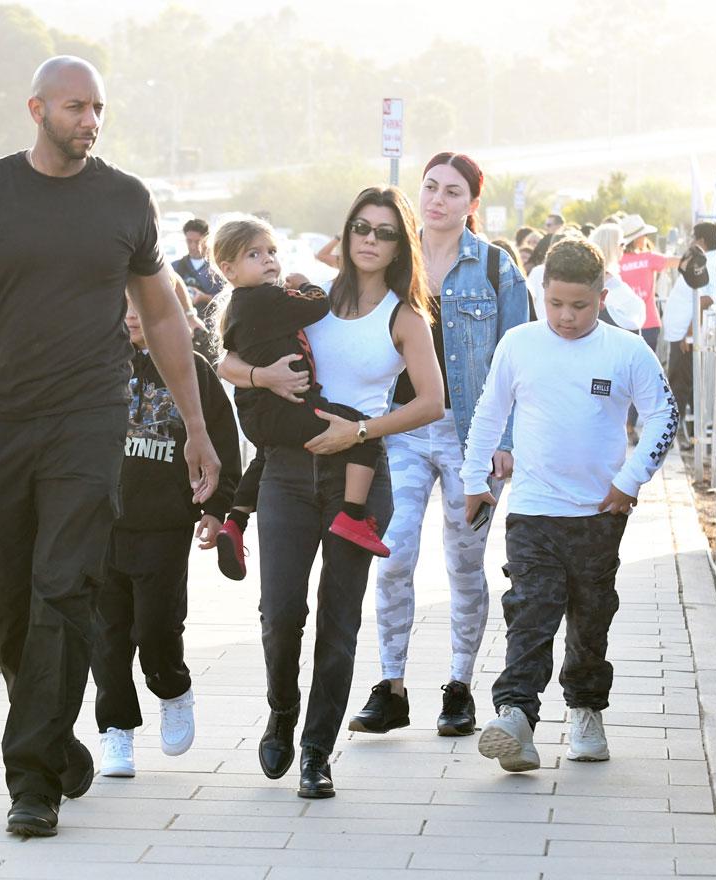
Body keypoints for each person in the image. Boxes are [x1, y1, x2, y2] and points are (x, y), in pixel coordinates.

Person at [0, 56, 221, 839]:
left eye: (100, 110)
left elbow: (162, 320)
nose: (90, 121)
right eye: (77, 108)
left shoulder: (124, 200)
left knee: (63, 588)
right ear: (37, 108)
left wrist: (195, 425)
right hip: (2, 418)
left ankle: (33, 782)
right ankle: (53, 736)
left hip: (90, 421)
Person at [218, 186, 444, 799]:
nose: (370, 240)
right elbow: (228, 359)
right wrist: (260, 375)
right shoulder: (301, 302)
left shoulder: (405, 317)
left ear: (401, 246)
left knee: (339, 623)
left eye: (385, 232)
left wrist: (362, 429)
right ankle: (281, 713)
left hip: (358, 482)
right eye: (360, 228)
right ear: (345, 235)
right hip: (286, 473)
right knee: (279, 613)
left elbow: (432, 401)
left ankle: (317, 751)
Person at [461, 237, 678, 773]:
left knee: (589, 617)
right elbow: (489, 413)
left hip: (599, 515)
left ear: (601, 298)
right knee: (530, 612)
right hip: (533, 509)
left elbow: (663, 417)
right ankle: (515, 717)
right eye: (556, 303)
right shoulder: (519, 343)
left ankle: (586, 711)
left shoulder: (626, 351)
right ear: (542, 293)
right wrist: (474, 480)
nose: (566, 316)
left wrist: (629, 481)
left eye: (579, 305)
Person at [343, 152, 528, 741]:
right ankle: (392, 686)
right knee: (393, 555)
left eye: (452, 191)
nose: (437, 200)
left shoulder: (498, 270)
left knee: (464, 565)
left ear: (472, 203)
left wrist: (504, 441)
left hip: (471, 440)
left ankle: (458, 687)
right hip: (399, 431)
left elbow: (518, 362)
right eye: (429, 187)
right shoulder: (395, 257)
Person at [93, 297, 241, 778]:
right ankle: (115, 729)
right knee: (107, 636)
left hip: (163, 524)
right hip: (99, 524)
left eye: (142, 305)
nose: (132, 314)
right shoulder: (93, 361)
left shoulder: (191, 369)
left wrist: (217, 508)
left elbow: (222, 439)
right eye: (122, 305)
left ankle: (172, 688)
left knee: (155, 627)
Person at [216, 215, 393, 558]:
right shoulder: (266, 299)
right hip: (288, 407)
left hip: (261, 414)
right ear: (229, 269)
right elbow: (319, 305)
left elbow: (227, 359)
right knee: (361, 431)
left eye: (271, 251)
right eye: (254, 254)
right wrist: (307, 284)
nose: (268, 259)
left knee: (264, 457)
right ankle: (354, 515)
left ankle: (235, 522)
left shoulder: (240, 305)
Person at [661, 222, 716, 440]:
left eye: (694, 238)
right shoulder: (704, 260)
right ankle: (681, 432)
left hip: (686, 335)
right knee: (680, 383)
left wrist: (690, 334)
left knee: (680, 385)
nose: (692, 242)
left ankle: (678, 434)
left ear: (702, 240)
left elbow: (704, 300)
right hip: (681, 332)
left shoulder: (707, 262)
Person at [616, 213, 680, 351]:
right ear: (637, 238)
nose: (646, 238)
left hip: (622, 323)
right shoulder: (649, 258)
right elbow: (676, 261)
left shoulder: (614, 262)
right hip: (649, 323)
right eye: (644, 235)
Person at [171, 219, 227, 315]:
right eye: (189, 241)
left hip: (211, 323)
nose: (193, 246)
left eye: (198, 242)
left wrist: (205, 297)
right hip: (182, 323)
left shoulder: (219, 267)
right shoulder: (174, 267)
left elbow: (228, 298)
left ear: (207, 240)